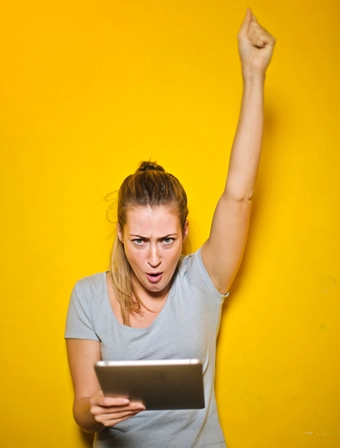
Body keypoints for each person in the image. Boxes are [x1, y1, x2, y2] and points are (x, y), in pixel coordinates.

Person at [65, 9, 275, 448]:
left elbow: (239, 194)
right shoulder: (87, 296)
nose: (155, 259)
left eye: (167, 240)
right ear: (121, 234)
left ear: (184, 233)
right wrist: (94, 409)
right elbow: (82, 407)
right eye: (140, 241)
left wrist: (253, 74)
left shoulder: (203, 279)